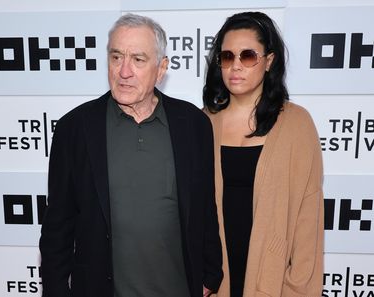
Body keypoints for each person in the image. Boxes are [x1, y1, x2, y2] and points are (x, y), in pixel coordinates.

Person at [39, 13, 223, 297]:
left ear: (161, 69)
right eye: (116, 57)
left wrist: (211, 272)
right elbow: (57, 228)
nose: (123, 71)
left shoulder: (193, 125)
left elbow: (204, 206)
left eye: (138, 60)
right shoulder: (74, 129)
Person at [203, 11, 324, 297]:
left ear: (269, 61)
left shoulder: (296, 124)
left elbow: (309, 220)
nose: (235, 66)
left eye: (247, 56)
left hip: (273, 280)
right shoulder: (203, 122)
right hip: (215, 279)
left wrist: (297, 290)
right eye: (227, 56)